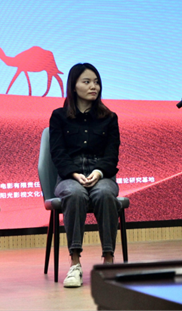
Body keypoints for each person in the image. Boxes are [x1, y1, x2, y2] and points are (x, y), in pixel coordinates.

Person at [49, 63, 121, 288]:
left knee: (105, 194)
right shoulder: (59, 116)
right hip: (69, 176)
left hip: (102, 174)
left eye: (96, 82)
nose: (93, 87)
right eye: (87, 82)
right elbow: (58, 153)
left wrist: (98, 172)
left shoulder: (110, 117)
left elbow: (112, 155)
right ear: (74, 86)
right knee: (75, 194)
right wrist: (74, 174)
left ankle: (108, 261)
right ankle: (75, 263)